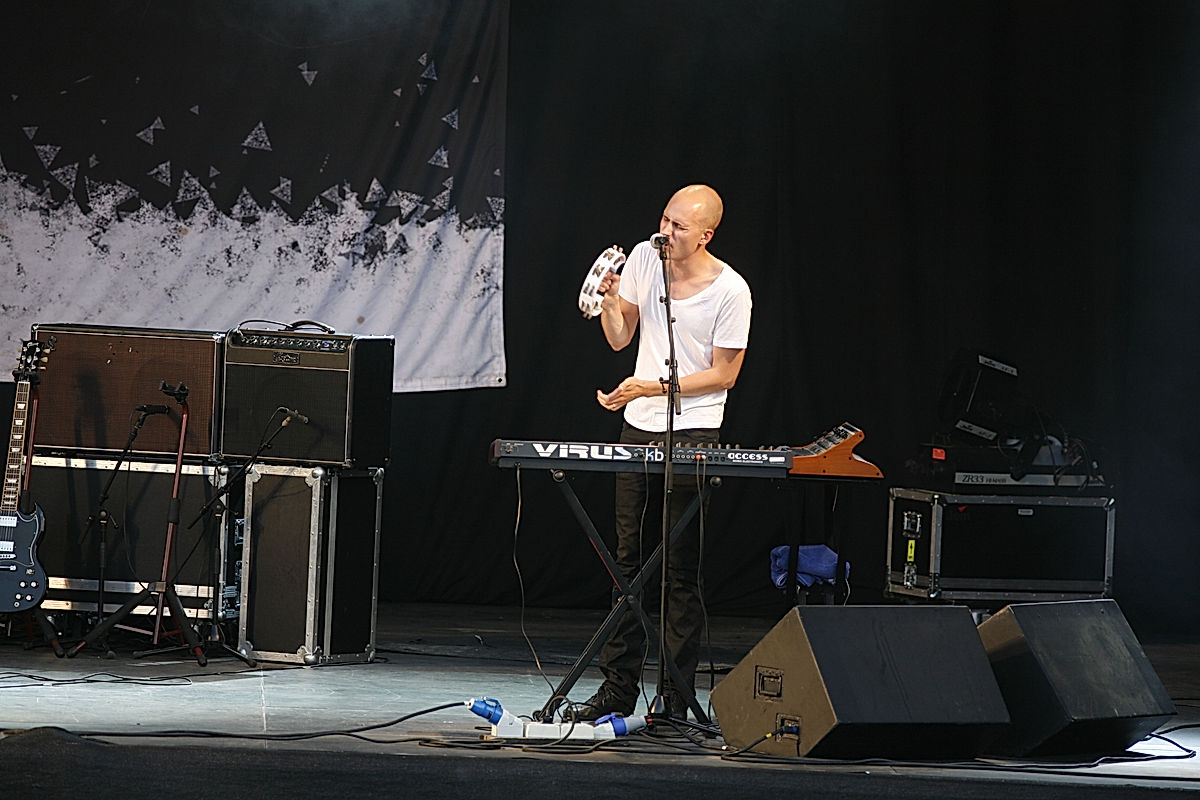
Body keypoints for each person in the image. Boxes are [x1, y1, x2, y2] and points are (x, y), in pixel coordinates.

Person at [576, 184, 752, 720]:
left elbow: (725, 373)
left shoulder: (731, 291)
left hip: (694, 430)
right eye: (665, 221)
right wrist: (610, 303)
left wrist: (652, 386)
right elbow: (619, 337)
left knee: (679, 568)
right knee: (626, 563)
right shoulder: (645, 261)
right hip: (638, 427)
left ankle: (675, 696)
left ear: (706, 235)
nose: (667, 233)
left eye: (680, 227)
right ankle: (617, 689)